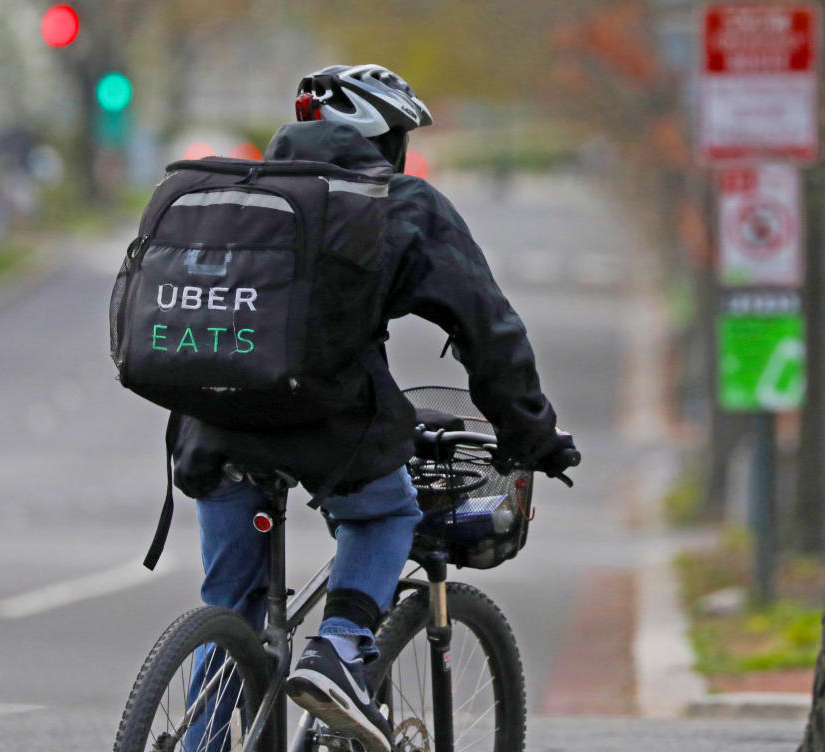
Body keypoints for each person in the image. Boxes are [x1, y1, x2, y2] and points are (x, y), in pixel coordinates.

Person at [172, 64, 577, 752]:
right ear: (380, 139)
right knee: (386, 510)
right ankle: (341, 648)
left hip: (210, 422)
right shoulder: (398, 202)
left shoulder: (236, 191)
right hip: (325, 425)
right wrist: (531, 433)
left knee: (233, 611)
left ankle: (198, 741)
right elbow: (488, 329)